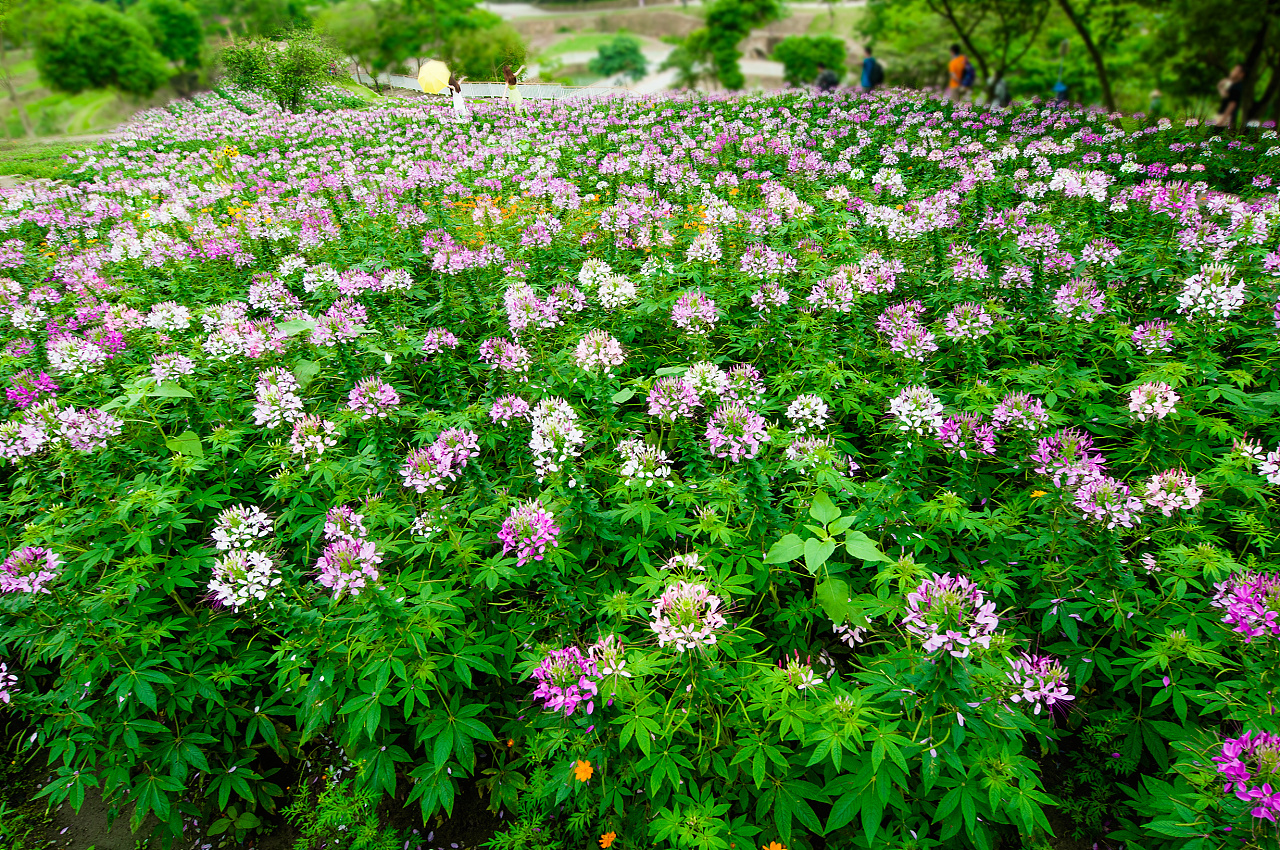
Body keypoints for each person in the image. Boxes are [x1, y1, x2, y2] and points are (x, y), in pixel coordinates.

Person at [1214, 65, 1245, 132]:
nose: (1232, 72)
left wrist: (1222, 120)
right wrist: (1220, 86)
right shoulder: (1232, 85)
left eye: (1236, 71)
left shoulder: (1237, 87)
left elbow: (1232, 104)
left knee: (1215, 136)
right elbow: (1225, 97)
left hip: (1226, 117)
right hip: (1222, 115)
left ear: (1241, 74)